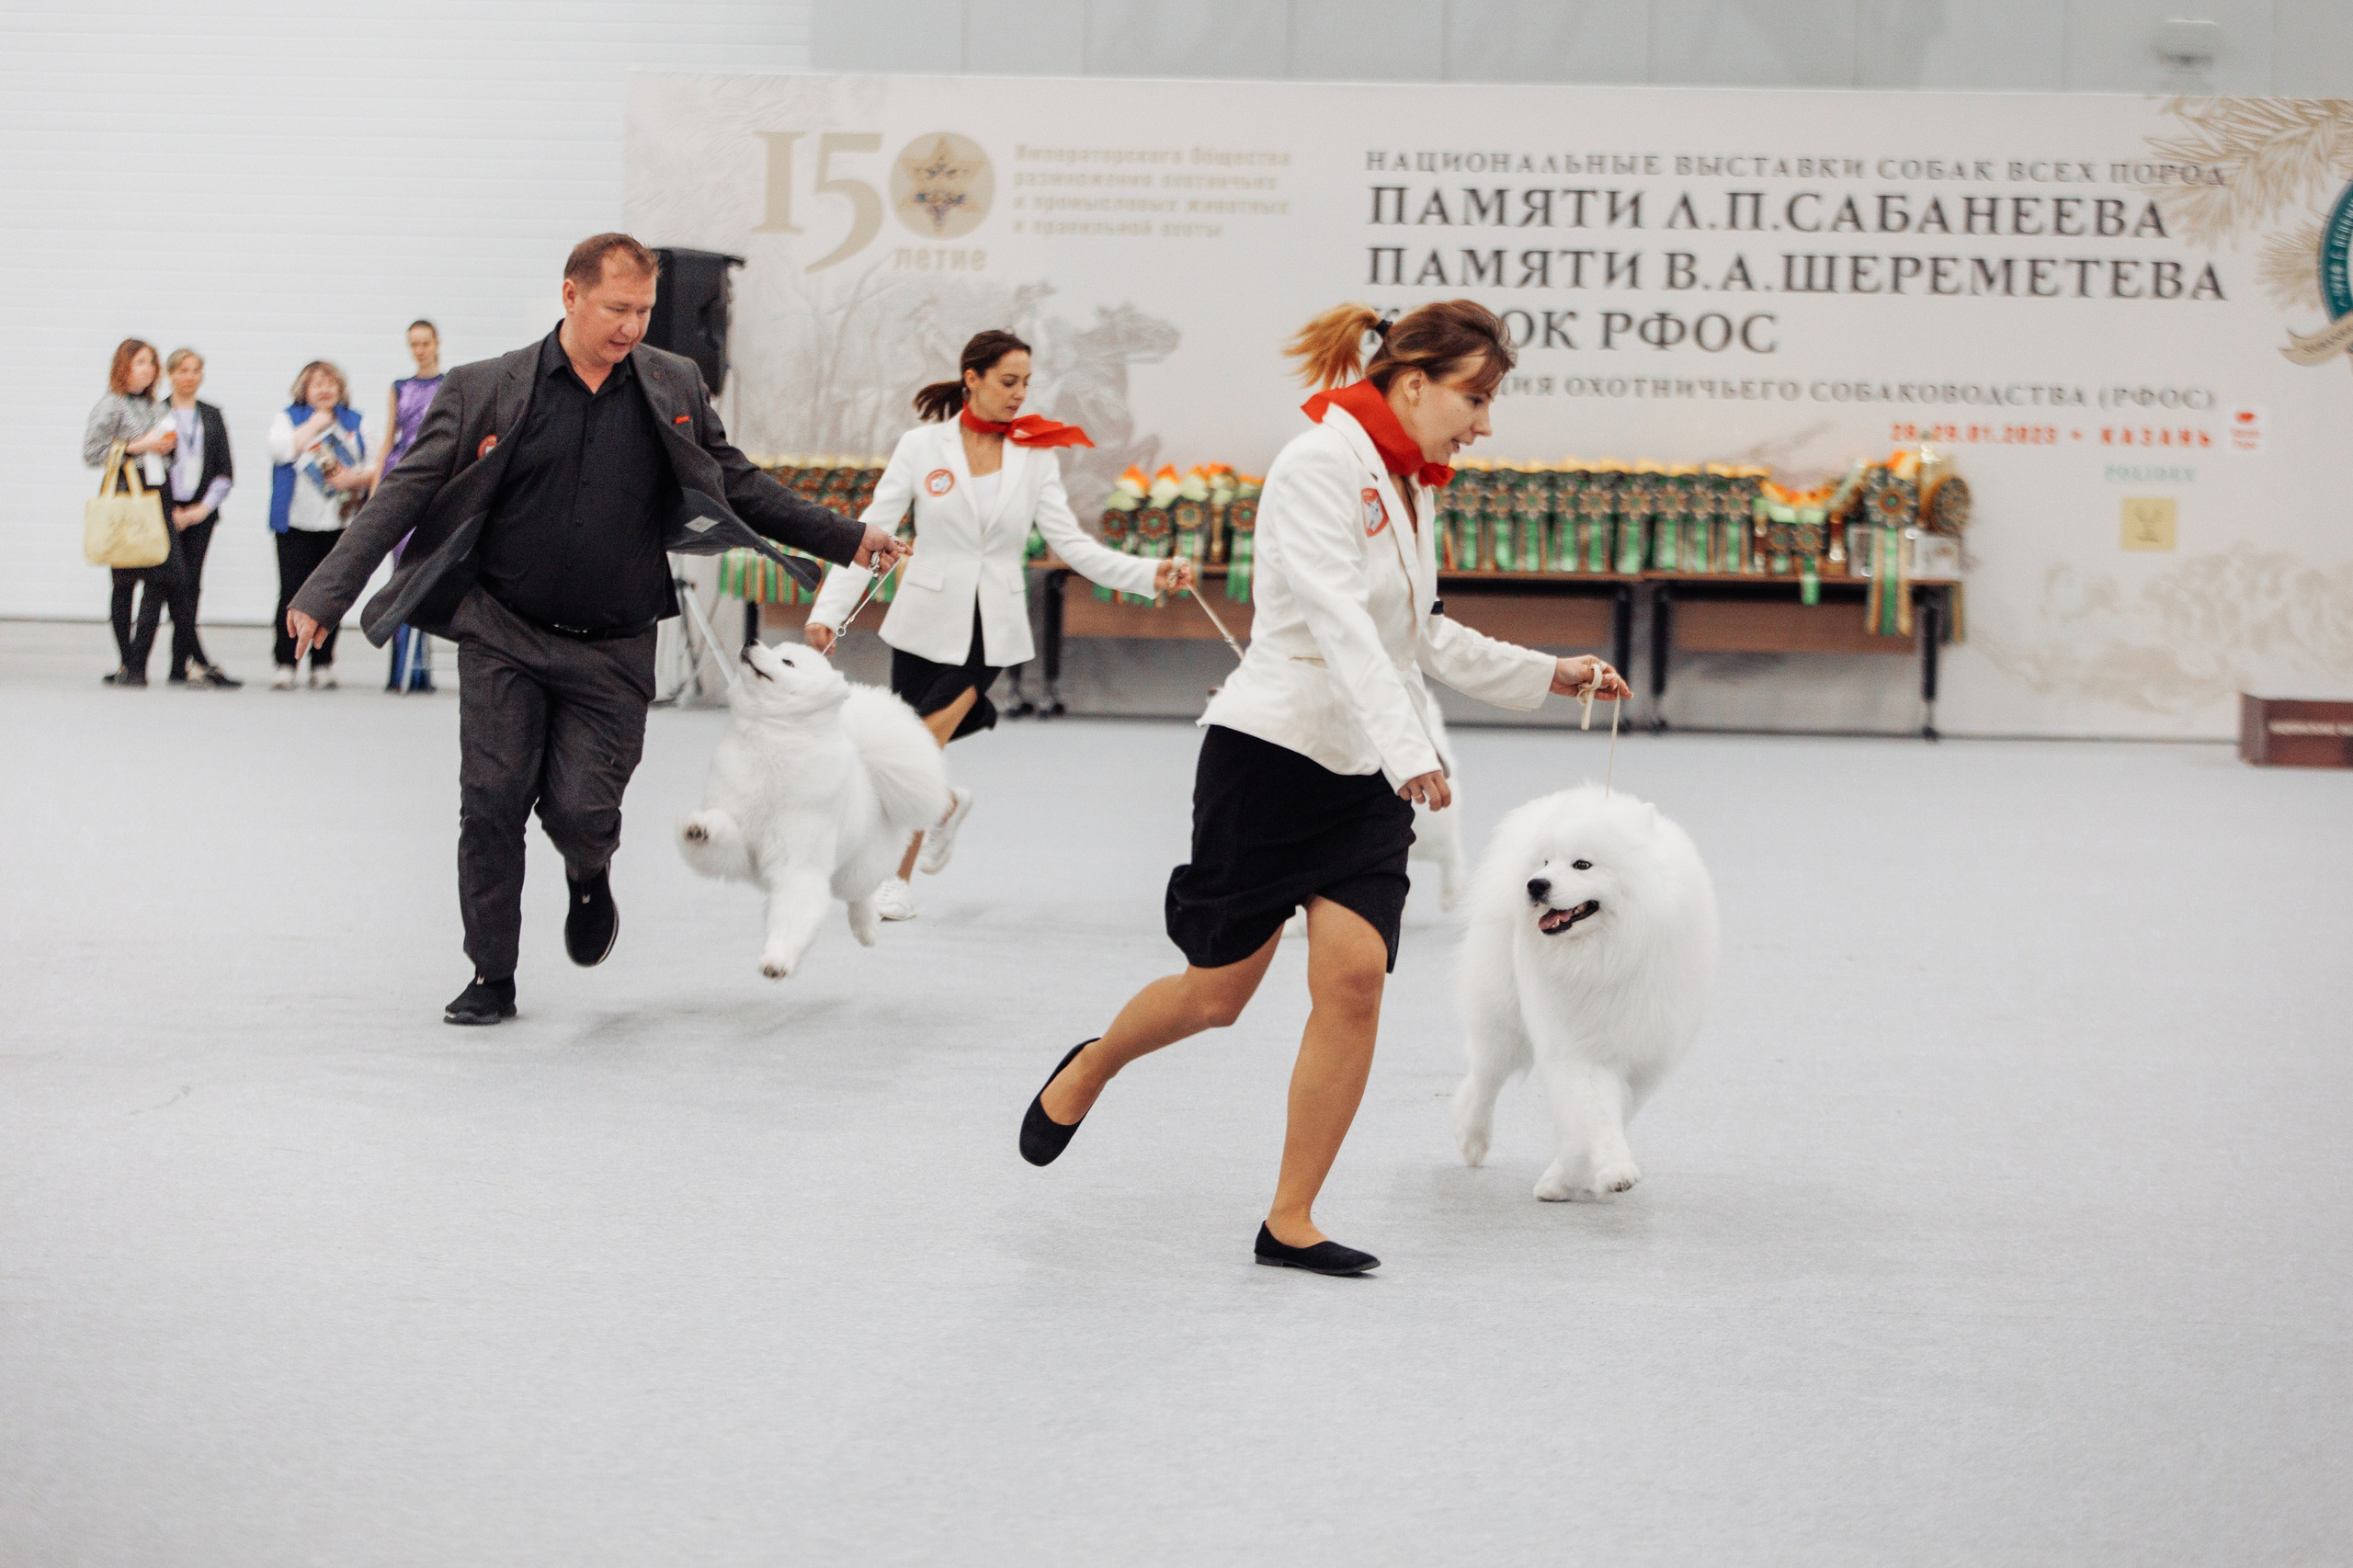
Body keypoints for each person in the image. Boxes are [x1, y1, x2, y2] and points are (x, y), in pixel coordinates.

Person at [1017, 300, 1632, 1277]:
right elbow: (1342, 623)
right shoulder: (1315, 465)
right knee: (1217, 995)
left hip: (1364, 770)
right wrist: (1410, 747)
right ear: (1412, 381)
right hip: (1270, 754)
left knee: (1351, 981)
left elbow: (1418, 632)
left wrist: (1547, 672)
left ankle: (1290, 1218)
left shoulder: (1412, 482)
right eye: (1475, 399)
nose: (1484, 423)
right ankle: (1090, 1063)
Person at [284, 233, 905, 1027]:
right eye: (618, 308)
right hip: (503, 631)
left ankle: (588, 872)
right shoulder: (486, 388)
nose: (632, 326)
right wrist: (324, 592)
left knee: (582, 810)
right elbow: (402, 494)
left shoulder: (671, 383)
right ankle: (491, 975)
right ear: (571, 295)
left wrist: (848, 537)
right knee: (492, 799)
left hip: (613, 645)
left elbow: (737, 482)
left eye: (643, 311)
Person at [804, 329, 1193, 922]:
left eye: (1026, 384)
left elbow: (1072, 546)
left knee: (921, 743)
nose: (1019, 395)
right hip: (923, 622)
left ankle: (895, 881)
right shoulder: (920, 446)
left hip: (992, 628)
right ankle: (943, 807)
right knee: (901, 745)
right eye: (1008, 382)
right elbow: (872, 535)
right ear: (973, 379)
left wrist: (1148, 572)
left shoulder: (1037, 455)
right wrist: (827, 614)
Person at [81, 339, 183, 687]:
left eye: (152, 363)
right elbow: (92, 452)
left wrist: (167, 447)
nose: (149, 369)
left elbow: (163, 451)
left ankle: (137, 661)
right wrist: (140, 446)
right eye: (141, 362)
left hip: (157, 492)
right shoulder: (110, 404)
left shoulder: (154, 406)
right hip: (127, 494)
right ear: (123, 366)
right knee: (124, 582)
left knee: (163, 577)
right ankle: (128, 662)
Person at [267, 362, 371, 689]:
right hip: (296, 523)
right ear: (304, 388)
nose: (325, 390)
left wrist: (351, 478)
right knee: (292, 592)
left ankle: (322, 663)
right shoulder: (288, 418)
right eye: (317, 384)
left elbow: (376, 464)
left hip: (340, 523)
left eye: (331, 383)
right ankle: (286, 663)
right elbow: (280, 450)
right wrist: (315, 424)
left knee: (331, 596)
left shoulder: (355, 421)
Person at [370, 319, 446, 692]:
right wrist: (374, 491)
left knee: (424, 573)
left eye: (425, 343)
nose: (419, 350)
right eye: (413, 344)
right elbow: (389, 437)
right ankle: (399, 668)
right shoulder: (399, 387)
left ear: (437, 344)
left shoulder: (449, 384)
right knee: (400, 573)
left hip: (433, 478)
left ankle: (420, 669)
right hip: (401, 473)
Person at [158, 348, 240, 687]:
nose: (189, 377)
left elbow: (224, 470)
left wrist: (201, 509)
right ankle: (200, 659)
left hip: (200, 512)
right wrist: (171, 510)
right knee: (173, 584)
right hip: (166, 511)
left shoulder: (211, 415)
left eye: (195, 371)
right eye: (182, 370)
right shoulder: (158, 412)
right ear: (171, 374)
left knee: (192, 583)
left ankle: (181, 664)